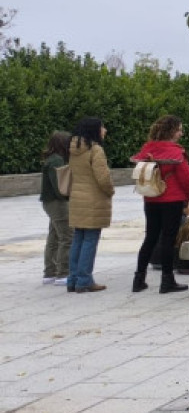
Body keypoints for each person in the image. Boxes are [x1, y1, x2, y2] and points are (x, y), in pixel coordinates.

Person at [131, 115, 189, 294]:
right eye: (180, 130)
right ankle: (167, 281)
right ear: (172, 131)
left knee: (150, 237)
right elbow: (186, 178)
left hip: (151, 198)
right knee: (168, 239)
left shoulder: (147, 148)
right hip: (172, 199)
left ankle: (139, 279)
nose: (181, 133)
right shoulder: (176, 152)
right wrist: (188, 198)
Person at [67, 117, 113, 293]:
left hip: (77, 198)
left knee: (78, 238)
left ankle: (73, 279)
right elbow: (102, 177)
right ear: (95, 130)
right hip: (93, 199)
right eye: (102, 127)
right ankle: (84, 280)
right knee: (90, 240)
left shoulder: (73, 149)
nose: (105, 130)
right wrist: (110, 191)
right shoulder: (96, 150)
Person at [39, 130, 72, 286]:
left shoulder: (52, 159)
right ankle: (63, 273)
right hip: (57, 203)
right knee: (67, 236)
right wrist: (67, 197)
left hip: (50, 202)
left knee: (54, 236)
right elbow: (59, 186)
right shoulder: (57, 161)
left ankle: (50, 273)